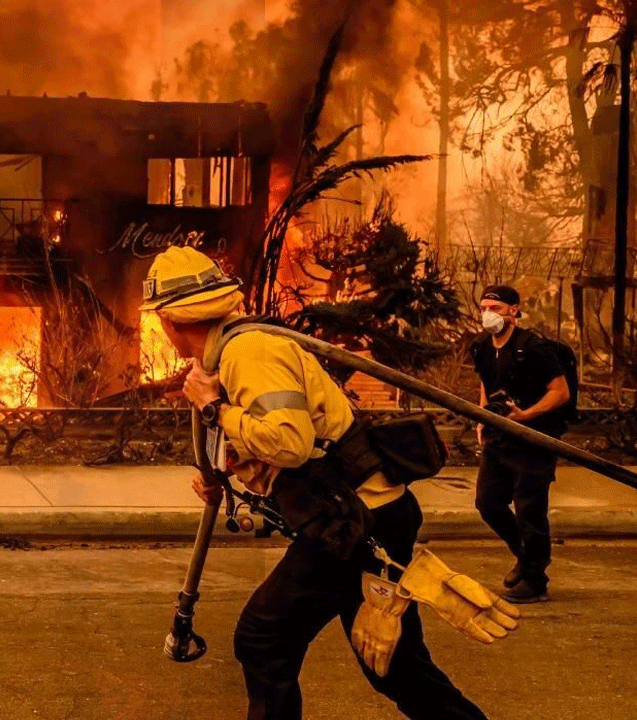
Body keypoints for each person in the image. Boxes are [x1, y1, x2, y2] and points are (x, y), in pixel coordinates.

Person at [144, 246, 498, 720]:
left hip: (356, 521)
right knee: (393, 667)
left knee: (264, 637)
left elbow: (289, 441)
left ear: (167, 320)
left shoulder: (249, 352)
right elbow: (267, 437)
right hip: (357, 516)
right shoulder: (226, 357)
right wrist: (219, 474)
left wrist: (214, 408)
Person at [470, 284, 570, 603]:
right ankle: (525, 558)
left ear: (514, 310)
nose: (488, 314)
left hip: (534, 438)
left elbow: (560, 392)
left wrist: (526, 415)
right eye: (484, 308)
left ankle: (535, 579)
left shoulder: (535, 347)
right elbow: (487, 385)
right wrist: (481, 419)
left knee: (530, 509)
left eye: (495, 309)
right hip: (498, 437)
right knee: (488, 503)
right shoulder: (482, 345)